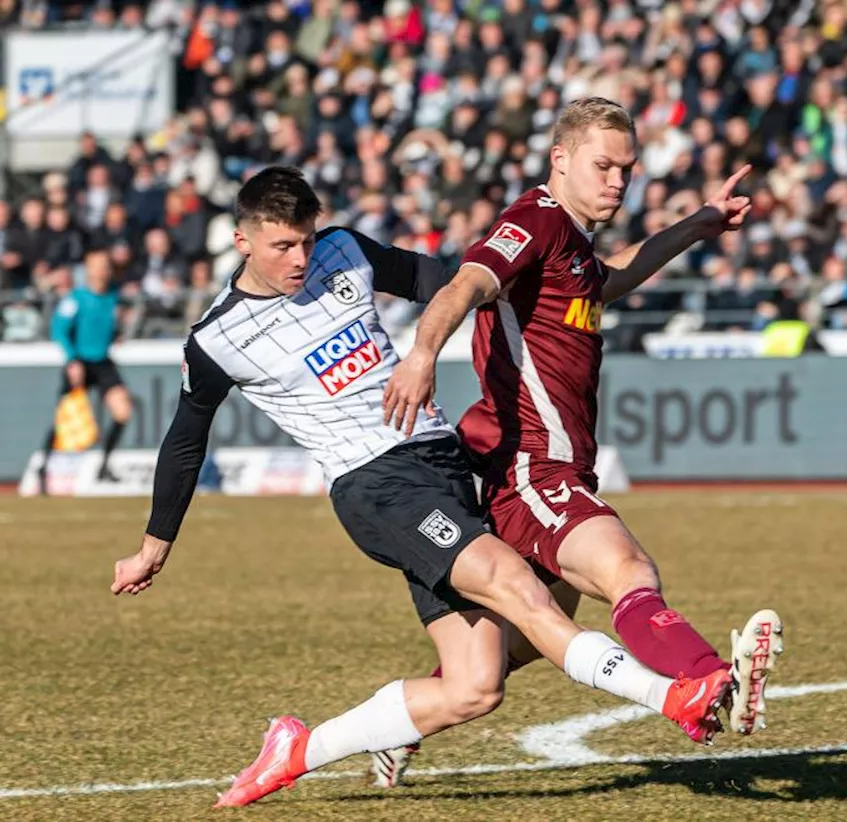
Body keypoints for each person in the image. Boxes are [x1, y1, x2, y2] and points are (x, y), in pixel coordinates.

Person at [109, 166, 741, 808]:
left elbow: (445, 283)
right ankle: (671, 695)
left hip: (441, 464)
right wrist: (153, 546)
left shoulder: (344, 250)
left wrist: (549, 283)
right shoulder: (218, 339)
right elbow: (185, 440)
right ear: (243, 242)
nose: (300, 258)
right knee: (518, 587)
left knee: (475, 687)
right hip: (376, 484)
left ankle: (299, 748)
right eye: (282, 247)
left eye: (306, 239)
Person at [374, 97, 784, 781]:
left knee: (522, 639)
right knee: (629, 572)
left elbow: (609, 279)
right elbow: (466, 283)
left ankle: (407, 719)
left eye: (627, 169)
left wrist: (697, 225)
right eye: (604, 166)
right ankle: (713, 680)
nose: (618, 182)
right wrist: (420, 356)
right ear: (559, 160)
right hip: (533, 470)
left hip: (560, 469)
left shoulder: (573, 244)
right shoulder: (534, 221)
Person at [40, 248, 134, 488]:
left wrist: (116, 335)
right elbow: (59, 330)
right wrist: (72, 360)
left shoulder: (114, 295)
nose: (102, 270)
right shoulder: (76, 297)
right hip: (79, 362)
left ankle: (104, 465)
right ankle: (43, 467)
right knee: (65, 419)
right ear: (88, 270)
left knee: (123, 411)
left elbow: (111, 324)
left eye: (105, 265)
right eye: (97, 265)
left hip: (102, 361)